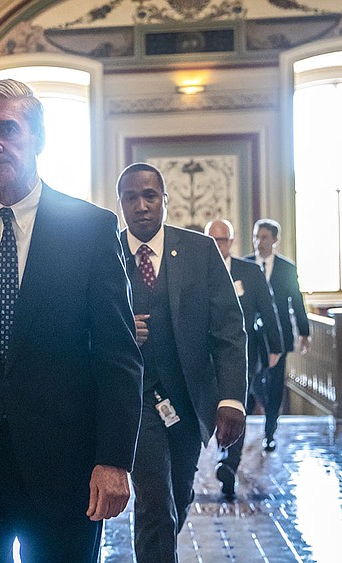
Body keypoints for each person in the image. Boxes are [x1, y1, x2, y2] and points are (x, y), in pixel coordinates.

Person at [0, 79, 143, 562]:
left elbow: (117, 357)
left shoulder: (89, 228)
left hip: (63, 464)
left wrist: (114, 460)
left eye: (7, 129)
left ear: (37, 138)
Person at [117, 163, 247, 563]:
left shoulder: (199, 250)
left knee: (178, 495)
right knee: (154, 503)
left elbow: (228, 328)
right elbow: (78, 324)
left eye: (150, 196)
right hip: (134, 403)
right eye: (131, 198)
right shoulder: (104, 254)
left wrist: (232, 399)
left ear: (165, 201)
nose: (141, 206)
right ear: (120, 204)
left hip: (188, 403)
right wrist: (120, 330)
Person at [204, 219, 283, 499]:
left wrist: (276, 346)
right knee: (208, 408)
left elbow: (268, 309)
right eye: (211, 239)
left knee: (236, 406)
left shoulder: (248, 272)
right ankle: (204, 457)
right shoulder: (196, 271)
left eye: (222, 240)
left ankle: (228, 462)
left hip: (242, 355)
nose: (217, 245)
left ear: (231, 242)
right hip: (204, 357)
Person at [246, 218, 311, 451]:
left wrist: (304, 332)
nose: (258, 242)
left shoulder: (286, 268)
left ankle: (270, 431)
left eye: (264, 237)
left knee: (275, 384)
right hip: (251, 338)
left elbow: (297, 302)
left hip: (280, 336)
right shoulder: (245, 265)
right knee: (252, 380)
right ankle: (254, 414)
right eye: (256, 236)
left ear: (275, 240)